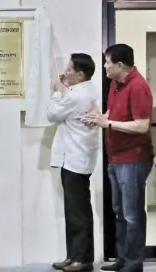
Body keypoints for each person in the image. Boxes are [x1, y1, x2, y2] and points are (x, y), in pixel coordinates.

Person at [83, 44, 153, 272]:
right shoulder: (115, 84)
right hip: (116, 157)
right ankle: (123, 258)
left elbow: (142, 126)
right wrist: (101, 118)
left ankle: (134, 263)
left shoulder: (139, 86)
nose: (104, 66)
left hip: (133, 159)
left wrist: (109, 123)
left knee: (132, 213)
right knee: (120, 211)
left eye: (107, 62)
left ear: (120, 65)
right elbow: (113, 115)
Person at [48, 54, 99, 272]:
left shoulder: (75, 96)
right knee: (77, 209)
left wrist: (58, 90)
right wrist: (66, 87)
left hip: (74, 159)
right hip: (79, 156)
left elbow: (52, 113)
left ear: (80, 74)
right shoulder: (88, 90)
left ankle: (81, 260)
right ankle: (75, 256)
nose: (65, 72)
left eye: (69, 69)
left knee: (77, 211)